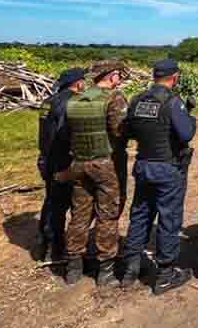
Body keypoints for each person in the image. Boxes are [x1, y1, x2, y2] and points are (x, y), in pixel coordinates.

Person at [120, 59, 197, 295]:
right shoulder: (173, 102)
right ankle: (165, 274)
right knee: (169, 218)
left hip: (144, 165)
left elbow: (128, 130)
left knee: (140, 214)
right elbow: (186, 134)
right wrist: (189, 115)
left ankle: (131, 268)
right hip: (167, 168)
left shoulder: (137, 100)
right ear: (174, 78)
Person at [63, 61, 130, 286]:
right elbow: (120, 131)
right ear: (111, 76)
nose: (120, 79)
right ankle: (106, 270)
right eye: (119, 75)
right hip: (106, 165)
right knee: (107, 216)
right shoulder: (114, 98)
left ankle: (73, 268)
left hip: (78, 164)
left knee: (79, 215)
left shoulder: (76, 99)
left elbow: (68, 132)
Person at [35, 67, 86, 263]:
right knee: (65, 204)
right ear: (78, 83)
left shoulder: (47, 102)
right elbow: (67, 134)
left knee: (51, 200)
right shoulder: (73, 102)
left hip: (46, 157)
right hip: (64, 159)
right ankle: (55, 247)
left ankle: (45, 244)